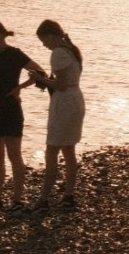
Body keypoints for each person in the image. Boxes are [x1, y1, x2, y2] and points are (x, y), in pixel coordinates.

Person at [0, 19, 46, 212]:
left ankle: (17, 200)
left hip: (11, 107)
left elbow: (39, 71)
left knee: (14, 154)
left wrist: (19, 88)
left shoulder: (14, 54)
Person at [26, 20, 86, 213]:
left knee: (51, 150)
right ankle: (69, 195)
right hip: (75, 98)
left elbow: (60, 85)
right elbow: (66, 80)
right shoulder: (71, 49)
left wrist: (40, 79)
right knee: (68, 149)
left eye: (43, 40)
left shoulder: (58, 53)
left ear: (51, 36)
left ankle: (44, 199)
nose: (44, 45)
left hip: (65, 102)